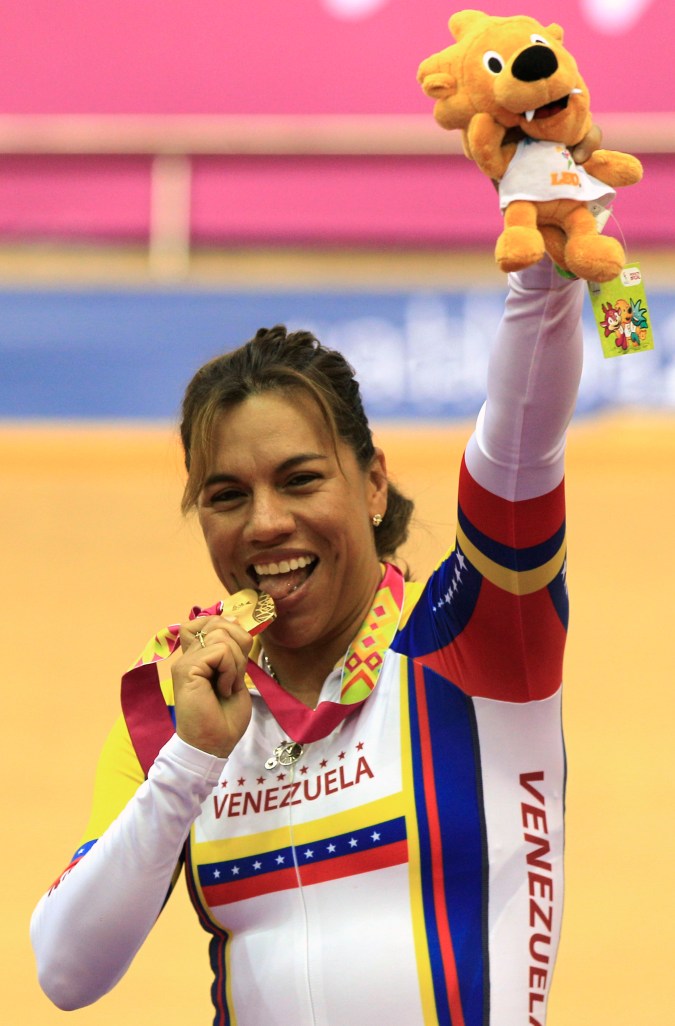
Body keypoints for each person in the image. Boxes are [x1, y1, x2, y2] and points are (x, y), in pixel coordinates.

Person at [31, 136, 597, 1023]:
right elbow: (67, 971)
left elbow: (519, 448)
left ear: (372, 483)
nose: (264, 524)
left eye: (299, 480)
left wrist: (545, 277)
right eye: (226, 496)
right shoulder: (178, 699)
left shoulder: (477, 637)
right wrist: (189, 763)